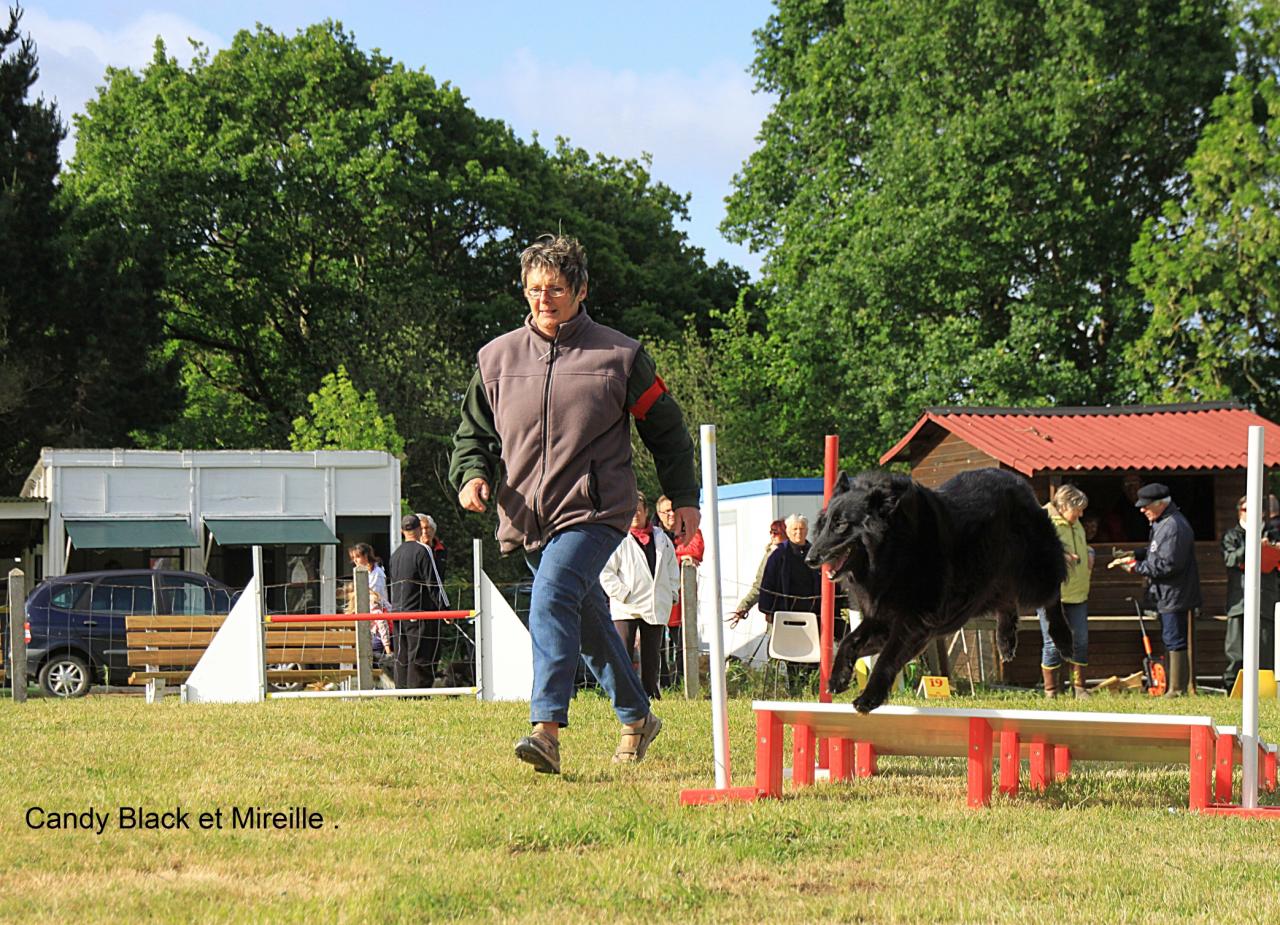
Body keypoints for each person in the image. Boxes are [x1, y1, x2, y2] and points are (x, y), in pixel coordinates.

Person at [449, 233, 700, 775]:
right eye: (534, 289)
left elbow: (667, 429)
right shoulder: (495, 359)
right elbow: (472, 434)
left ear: (581, 290)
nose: (543, 299)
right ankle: (637, 715)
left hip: (595, 508)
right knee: (585, 620)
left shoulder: (619, 356)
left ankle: (546, 729)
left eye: (556, 289)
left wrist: (683, 497)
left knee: (553, 594)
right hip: (525, 516)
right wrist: (471, 474)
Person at [1114, 483, 1202, 696]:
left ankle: (1177, 689)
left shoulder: (1173, 526)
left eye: (1146, 506)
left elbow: (1168, 565)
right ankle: (1173, 687)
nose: (1142, 510)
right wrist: (1136, 553)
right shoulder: (1163, 522)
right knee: (1170, 638)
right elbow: (1156, 551)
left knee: (1174, 639)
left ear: (1161, 504)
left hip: (1175, 595)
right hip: (1168, 594)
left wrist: (1136, 567)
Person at [600, 492, 680, 700]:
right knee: (623, 652)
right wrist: (623, 594)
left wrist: (672, 592)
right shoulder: (618, 538)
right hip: (627, 606)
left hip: (654, 603)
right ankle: (624, 696)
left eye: (638, 509)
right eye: (630, 509)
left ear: (646, 511)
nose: (635, 513)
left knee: (652, 654)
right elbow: (606, 572)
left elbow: (672, 568)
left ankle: (650, 693)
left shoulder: (662, 539)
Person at [757, 514, 825, 693]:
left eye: (801, 529)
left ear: (807, 531)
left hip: (813, 615)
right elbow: (767, 584)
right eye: (794, 529)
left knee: (812, 657)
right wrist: (768, 610)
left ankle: (812, 690)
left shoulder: (816, 553)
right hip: (786, 613)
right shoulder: (778, 555)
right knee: (791, 656)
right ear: (788, 531)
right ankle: (795, 690)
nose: (798, 533)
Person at [1036, 485, 1093, 699]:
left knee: (1080, 640)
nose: (1081, 514)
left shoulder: (1076, 524)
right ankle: (1051, 690)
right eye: (1078, 509)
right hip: (1052, 594)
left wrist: (1089, 552)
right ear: (1063, 505)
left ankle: (1079, 688)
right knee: (1053, 641)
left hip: (1078, 592)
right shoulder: (1043, 521)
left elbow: (1080, 546)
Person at [1221, 495, 1279, 691]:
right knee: (1236, 653)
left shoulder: (1274, 532)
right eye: (1246, 510)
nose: (1251, 514)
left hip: (1266, 599)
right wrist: (1253, 545)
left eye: (1255, 510)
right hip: (1240, 602)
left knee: (1266, 650)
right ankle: (1232, 691)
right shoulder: (1232, 535)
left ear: (1263, 512)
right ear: (1240, 512)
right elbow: (1230, 560)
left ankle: (1266, 693)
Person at [387, 514, 447, 689]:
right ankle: (418, 694)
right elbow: (434, 583)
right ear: (419, 530)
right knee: (419, 655)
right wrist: (445, 609)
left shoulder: (395, 554)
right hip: (418, 612)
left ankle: (401, 692)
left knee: (402, 656)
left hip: (398, 612)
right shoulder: (423, 550)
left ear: (402, 531)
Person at [655, 493, 703, 686]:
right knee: (657, 645)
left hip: (682, 601)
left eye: (673, 511)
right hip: (656, 597)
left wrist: (677, 557)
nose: (670, 516)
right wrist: (678, 557)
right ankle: (664, 683)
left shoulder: (689, 530)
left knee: (682, 643)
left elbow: (695, 549)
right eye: (666, 512)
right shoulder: (653, 533)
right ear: (659, 514)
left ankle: (683, 682)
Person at [729, 519, 787, 627]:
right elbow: (760, 586)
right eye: (771, 532)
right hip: (776, 615)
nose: (772, 535)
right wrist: (744, 606)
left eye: (776, 532)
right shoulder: (770, 555)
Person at [348, 542, 392, 659]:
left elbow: (376, 598)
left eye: (358, 557)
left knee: (372, 652)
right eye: (353, 558)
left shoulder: (377, 573)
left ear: (366, 555)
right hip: (369, 620)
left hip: (378, 618)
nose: (355, 561)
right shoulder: (362, 572)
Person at [418, 513, 448, 581]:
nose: (424, 532)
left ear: (433, 530)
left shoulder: (442, 549)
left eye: (427, 528)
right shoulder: (413, 551)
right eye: (421, 529)